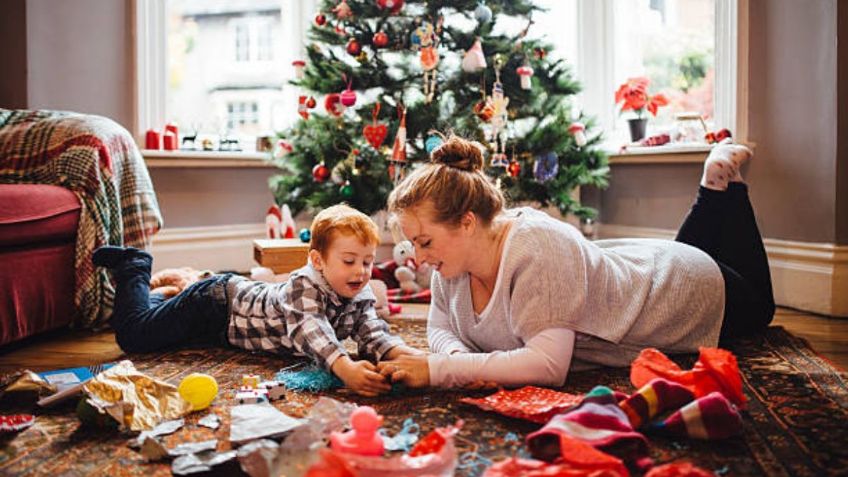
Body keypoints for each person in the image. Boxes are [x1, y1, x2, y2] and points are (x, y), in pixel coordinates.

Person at [377, 135, 774, 389]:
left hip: (684, 289)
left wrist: (438, 370)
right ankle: (712, 193)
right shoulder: (452, 260)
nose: (417, 256)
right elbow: (440, 326)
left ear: (466, 223)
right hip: (638, 261)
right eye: (414, 243)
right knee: (691, 252)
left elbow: (547, 366)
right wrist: (463, 361)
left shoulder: (538, 248)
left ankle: (724, 188)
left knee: (760, 308)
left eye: (423, 241)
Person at [93, 204, 421, 396]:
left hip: (225, 332)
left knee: (167, 330)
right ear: (318, 261)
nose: (361, 271)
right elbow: (313, 330)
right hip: (214, 305)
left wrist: (409, 356)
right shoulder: (303, 285)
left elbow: (373, 332)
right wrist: (345, 367)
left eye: (367, 261)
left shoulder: (358, 289)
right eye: (349, 261)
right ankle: (134, 265)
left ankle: (161, 297)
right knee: (134, 334)